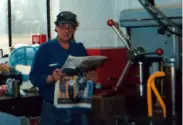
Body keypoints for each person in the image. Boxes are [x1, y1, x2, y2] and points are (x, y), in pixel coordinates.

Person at [29, 11, 97, 125]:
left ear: (74, 29)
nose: (67, 31)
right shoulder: (45, 49)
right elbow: (34, 78)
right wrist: (51, 78)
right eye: (63, 27)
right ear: (56, 27)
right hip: (53, 110)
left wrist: (93, 78)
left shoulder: (79, 48)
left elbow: (88, 73)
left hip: (78, 108)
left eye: (70, 27)